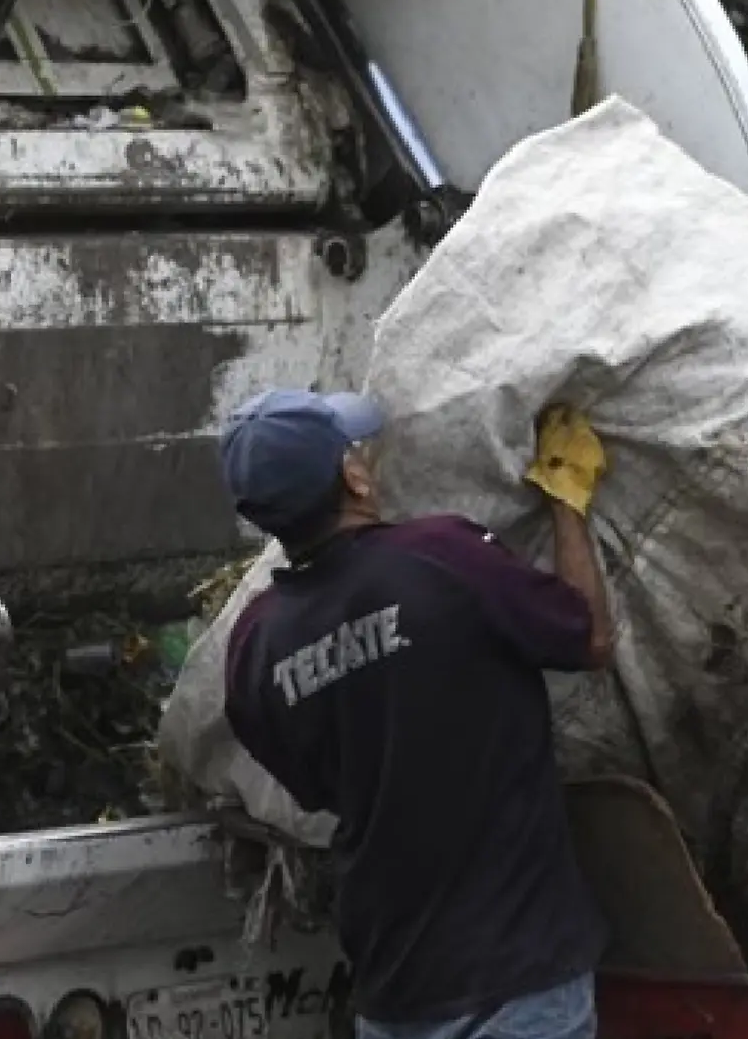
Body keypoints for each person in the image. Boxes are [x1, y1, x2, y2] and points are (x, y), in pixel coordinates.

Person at [216, 388, 615, 1039]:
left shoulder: (254, 649)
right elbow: (589, 638)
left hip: (395, 991)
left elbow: (315, 789)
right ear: (352, 476)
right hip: (516, 980)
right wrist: (567, 501)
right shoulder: (442, 557)